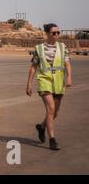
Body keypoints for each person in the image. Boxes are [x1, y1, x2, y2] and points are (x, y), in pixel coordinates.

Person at [26, 23, 72, 151]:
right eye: (54, 33)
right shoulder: (39, 48)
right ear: (47, 34)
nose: (57, 35)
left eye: (58, 32)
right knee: (50, 108)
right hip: (44, 81)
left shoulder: (63, 47)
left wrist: (68, 77)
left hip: (58, 82)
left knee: (54, 112)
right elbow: (33, 67)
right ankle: (52, 139)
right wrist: (29, 84)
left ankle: (41, 127)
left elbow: (67, 64)